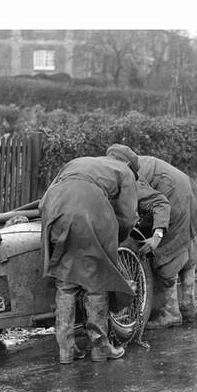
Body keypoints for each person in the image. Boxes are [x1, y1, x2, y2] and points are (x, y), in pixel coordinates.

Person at [39, 146, 140, 364]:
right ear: (130, 164)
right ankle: (100, 348)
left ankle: (66, 350)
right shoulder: (125, 172)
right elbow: (128, 216)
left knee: (65, 284)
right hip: (91, 210)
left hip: (55, 210)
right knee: (97, 283)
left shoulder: (77, 161)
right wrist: (114, 239)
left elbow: (44, 200)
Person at [128, 154, 197, 328]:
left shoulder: (118, 174)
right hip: (181, 183)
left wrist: (157, 235)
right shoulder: (118, 163)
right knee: (184, 241)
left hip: (168, 191)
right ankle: (188, 304)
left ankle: (172, 313)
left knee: (168, 249)